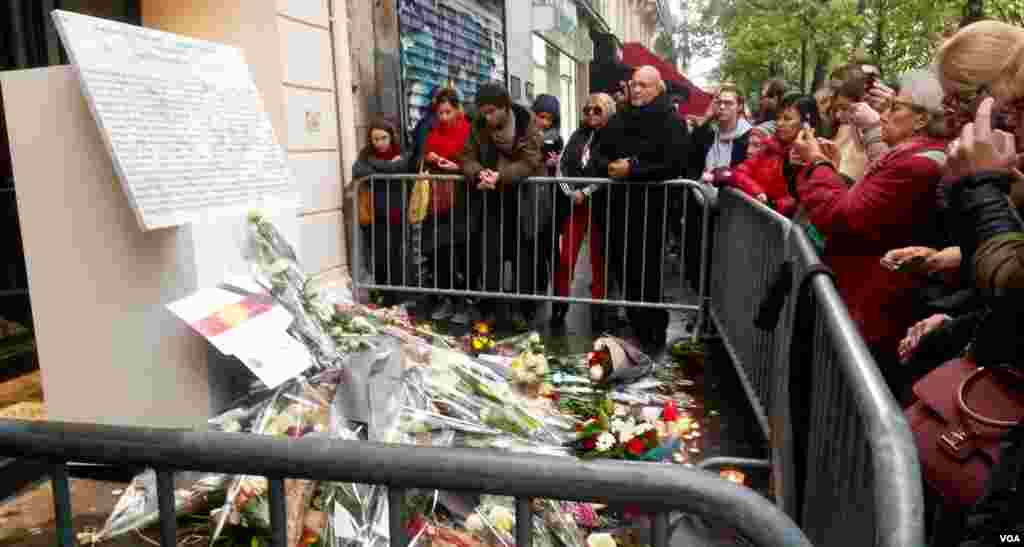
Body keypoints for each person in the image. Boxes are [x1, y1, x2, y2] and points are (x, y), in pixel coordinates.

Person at [791, 69, 951, 393]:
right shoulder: (908, 156)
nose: (883, 114)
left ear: (921, 120)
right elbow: (861, 208)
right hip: (865, 299)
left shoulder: (916, 164)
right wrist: (832, 170)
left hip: (874, 307)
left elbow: (844, 219)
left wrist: (818, 164)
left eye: (895, 106)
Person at [589, 65, 690, 351]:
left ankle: (652, 333)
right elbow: (598, 153)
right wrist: (608, 167)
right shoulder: (620, 117)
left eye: (643, 85)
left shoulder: (671, 120)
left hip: (651, 213)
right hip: (617, 211)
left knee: (646, 275)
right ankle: (637, 328)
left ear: (658, 88)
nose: (636, 89)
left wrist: (633, 169)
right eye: (634, 84)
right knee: (623, 273)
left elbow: (674, 162)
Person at [462, 83, 549, 327]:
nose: (486, 117)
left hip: (522, 198)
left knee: (522, 255)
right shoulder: (478, 126)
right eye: (483, 112)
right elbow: (466, 157)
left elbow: (531, 160)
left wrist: (501, 176)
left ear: (505, 107)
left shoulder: (525, 121)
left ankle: (521, 310)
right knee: (491, 254)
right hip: (491, 197)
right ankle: (489, 307)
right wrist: (479, 174)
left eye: (491, 111)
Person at [409, 87, 474, 323]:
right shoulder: (432, 131)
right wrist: (430, 158)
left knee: (458, 255)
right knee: (438, 254)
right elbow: (419, 154)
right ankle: (446, 300)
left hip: (459, 200)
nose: (444, 117)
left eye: (448, 112)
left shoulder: (468, 130)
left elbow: (474, 162)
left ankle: (463, 304)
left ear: (457, 109)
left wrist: (456, 167)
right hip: (435, 202)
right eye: (440, 113)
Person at [552, 93, 616, 328]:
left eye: (597, 110)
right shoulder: (577, 135)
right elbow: (562, 166)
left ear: (608, 111)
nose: (590, 114)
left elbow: (609, 171)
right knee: (566, 257)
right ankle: (559, 306)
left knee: (599, 259)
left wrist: (586, 191)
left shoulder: (612, 136)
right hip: (575, 206)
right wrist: (571, 192)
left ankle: (599, 310)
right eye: (587, 109)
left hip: (601, 204)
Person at [351, 117, 412, 307]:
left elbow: (398, 167)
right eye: (375, 139)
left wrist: (375, 165)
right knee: (378, 256)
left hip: (395, 212)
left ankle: (396, 297)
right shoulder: (365, 153)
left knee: (394, 255)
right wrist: (383, 167)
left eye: (383, 138)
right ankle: (383, 295)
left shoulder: (401, 152)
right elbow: (358, 170)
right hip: (373, 214)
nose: (379, 143)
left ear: (391, 137)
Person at [689, 83, 754, 184]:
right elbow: (691, 159)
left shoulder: (749, 137)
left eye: (728, 103)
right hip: (701, 193)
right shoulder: (709, 132)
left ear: (739, 107)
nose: (722, 107)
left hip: (729, 196)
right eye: (719, 102)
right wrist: (706, 117)